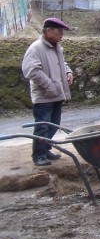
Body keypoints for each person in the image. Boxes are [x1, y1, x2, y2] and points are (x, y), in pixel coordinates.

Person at [21, 17, 74, 167]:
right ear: (48, 31)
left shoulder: (56, 47)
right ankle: (38, 155)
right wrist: (49, 86)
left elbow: (61, 63)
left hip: (57, 94)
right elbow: (31, 70)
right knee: (42, 126)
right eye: (59, 31)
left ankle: (46, 149)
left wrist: (68, 72)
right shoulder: (36, 48)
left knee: (53, 125)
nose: (62, 35)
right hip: (44, 96)